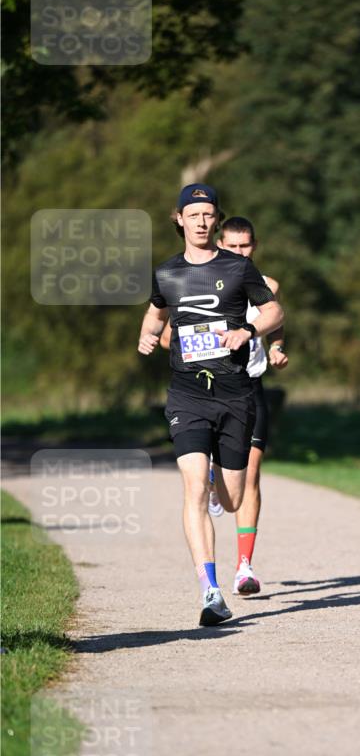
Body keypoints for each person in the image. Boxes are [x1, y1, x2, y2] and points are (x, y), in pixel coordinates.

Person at [137, 184, 284, 626]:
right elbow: (155, 314)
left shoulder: (239, 268)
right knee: (194, 488)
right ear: (179, 219)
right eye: (193, 214)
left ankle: (224, 475)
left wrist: (249, 331)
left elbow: (274, 311)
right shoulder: (166, 273)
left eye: (208, 214)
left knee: (232, 498)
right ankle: (211, 592)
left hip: (236, 395)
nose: (201, 221)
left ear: (215, 220)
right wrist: (145, 334)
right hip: (188, 395)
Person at [217, 217, 289, 596]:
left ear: (254, 247)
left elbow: (275, 320)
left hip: (251, 386)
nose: (239, 253)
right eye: (232, 246)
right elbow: (167, 338)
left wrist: (276, 347)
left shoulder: (268, 286)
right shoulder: (201, 285)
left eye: (245, 246)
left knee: (252, 475)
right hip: (209, 389)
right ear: (220, 243)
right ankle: (216, 483)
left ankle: (244, 566)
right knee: (225, 487)